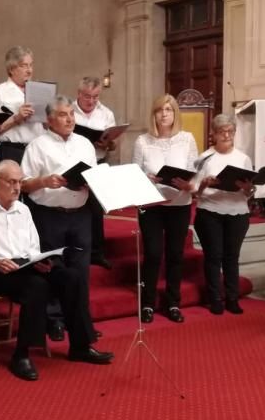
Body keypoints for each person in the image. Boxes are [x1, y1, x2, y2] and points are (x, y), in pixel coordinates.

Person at [0, 160, 114, 380]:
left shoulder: (23, 209)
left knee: (71, 277)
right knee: (36, 286)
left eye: (20, 182)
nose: (17, 188)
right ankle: (21, 355)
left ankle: (80, 346)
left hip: (24, 266)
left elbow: (32, 248)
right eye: (12, 182)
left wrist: (41, 262)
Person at [21, 96, 99, 341]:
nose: (69, 119)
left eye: (72, 114)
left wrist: (90, 182)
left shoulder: (85, 144)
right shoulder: (37, 146)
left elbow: (95, 176)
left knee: (80, 270)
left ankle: (81, 321)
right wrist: (45, 181)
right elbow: (23, 185)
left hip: (80, 214)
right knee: (54, 269)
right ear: (50, 119)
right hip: (49, 215)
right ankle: (53, 320)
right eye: (64, 115)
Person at [132, 94, 198, 323]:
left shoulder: (187, 139)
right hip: (151, 205)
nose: (164, 114)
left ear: (175, 113)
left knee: (175, 255)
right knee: (152, 253)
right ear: (154, 114)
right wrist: (148, 179)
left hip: (179, 204)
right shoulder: (142, 141)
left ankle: (172, 302)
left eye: (169, 110)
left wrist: (187, 186)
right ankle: (148, 303)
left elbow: (193, 173)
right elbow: (135, 175)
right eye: (160, 110)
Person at [191, 113, 254, 315]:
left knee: (231, 256)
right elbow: (194, 192)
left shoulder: (243, 158)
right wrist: (204, 183)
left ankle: (232, 298)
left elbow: (250, 192)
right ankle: (215, 298)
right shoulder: (204, 158)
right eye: (222, 131)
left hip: (237, 212)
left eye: (230, 131)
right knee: (213, 256)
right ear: (214, 135)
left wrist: (247, 188)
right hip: (210, 211)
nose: (226, 135)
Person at [72, 76, 117, 269]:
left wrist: (108, 143)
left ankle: (97, 253)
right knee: (75, 208)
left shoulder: (106, 113)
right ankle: (77, 250)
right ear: (79, 94)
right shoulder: (69, 111)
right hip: (75, 164)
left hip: (98, 162)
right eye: (87, 96)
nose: (91, 101)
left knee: (96, 210)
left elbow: (113, 145)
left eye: (95, 97)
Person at [0, 46, 40, 164]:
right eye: (24, 66)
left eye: (31, 65)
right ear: (11, 69)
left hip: (36, 151)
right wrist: (16, 118)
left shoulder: (40, 90)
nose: (29, 70)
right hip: (11, 150)